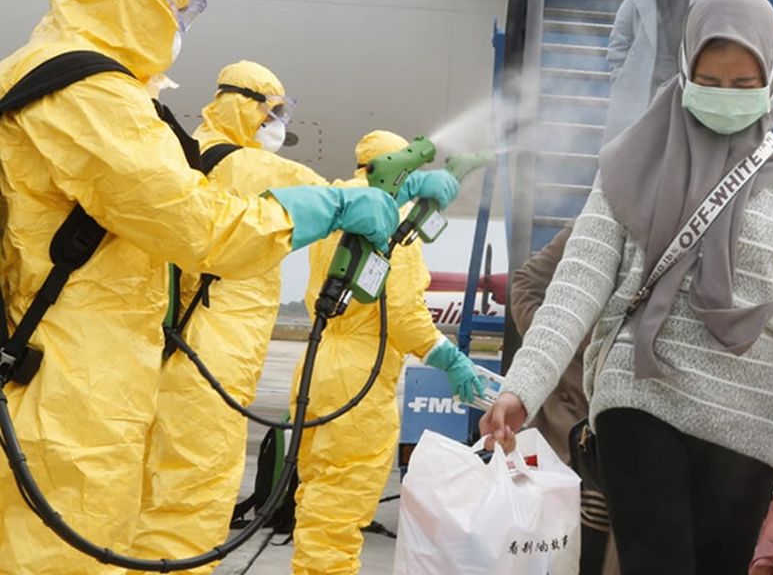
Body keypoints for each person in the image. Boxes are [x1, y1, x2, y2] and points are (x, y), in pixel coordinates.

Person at [0, 0, 399, 574]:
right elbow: (199, 227)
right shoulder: (90, 92)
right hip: (68, 399)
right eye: (175, 1)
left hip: (67, 380)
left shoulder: (58, 78)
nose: (178, 22)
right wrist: (324, 204)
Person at [482, 0, 773, 574]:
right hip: (640, 397)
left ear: (771, 78)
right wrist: (522, 386)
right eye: (710, 81)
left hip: (750, 420)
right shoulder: (631, 162)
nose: (727, 97)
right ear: (685, 71)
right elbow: (575, 286)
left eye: (744, 85)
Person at [128, 61, 327, 570]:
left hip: (197, 351)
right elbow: (324, 193)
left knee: (167, 494)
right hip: (209, 359)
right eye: (273, 111)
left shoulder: (202, 153)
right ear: (246, 104)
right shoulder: (237, 163)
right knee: (192, 498)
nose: (278, 124)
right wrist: (392, 191)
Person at [291, 130, 485, 575]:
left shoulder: (340, 204)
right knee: (340, 510)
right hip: (358, 378)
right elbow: (400, 312)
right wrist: (448, 356)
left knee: (317, 497)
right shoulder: (388, 219)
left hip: (318, 367)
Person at [509, 223, 619, 575]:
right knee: (566, 541)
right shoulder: (591, 225)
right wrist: (559, 343)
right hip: (570, 420)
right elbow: (525, 283)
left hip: (636, 415)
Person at [603, 0, 705, 142]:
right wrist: (620, 75)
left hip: (680, 84)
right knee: (632, 146)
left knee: (673, 143)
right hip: (641, 83)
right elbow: (619, 38)